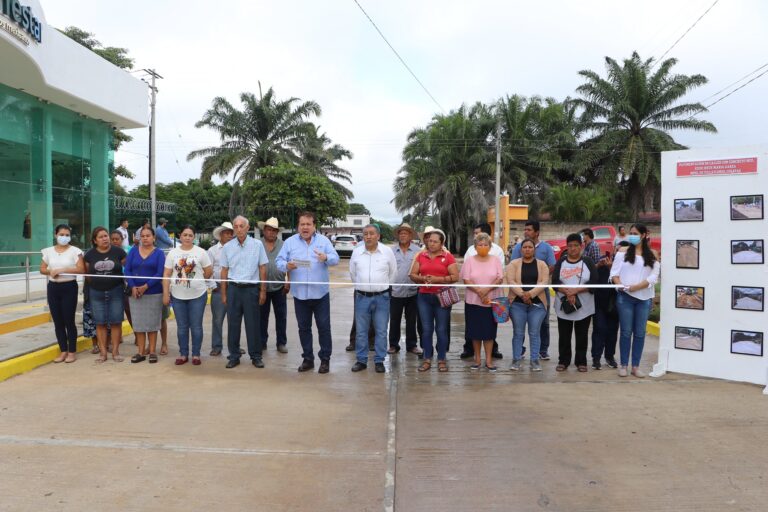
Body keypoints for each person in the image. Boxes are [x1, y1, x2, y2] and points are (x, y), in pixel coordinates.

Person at [276, 211, 339, 374]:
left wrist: (326, 257)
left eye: (308, 224)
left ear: (314, 226)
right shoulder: (289, 242)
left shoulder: (324, 241)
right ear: (298, 226)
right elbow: (279, 261)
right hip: (300, 295)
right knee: (304, 328)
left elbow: (336, 259)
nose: (305, 227)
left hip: (320, 294)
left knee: (324, 327)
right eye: (302, 224)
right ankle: (308, 359)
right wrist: (286, 266)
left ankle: (325, 360)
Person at [609, 224, 660, 378]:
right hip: (625, 298)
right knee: (625, 332)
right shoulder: (622, 253)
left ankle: (635, 366)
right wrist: (621, 286)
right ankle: (624, 365)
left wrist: (637, 287)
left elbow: (653, 277)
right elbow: (614, 274)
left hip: (644, 299)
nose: (632, 236)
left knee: (639, 333)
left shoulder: (652, 254)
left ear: (644, 235)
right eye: (630, 233)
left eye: (635, 233)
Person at [220, 216, 268, 369]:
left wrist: (263, 291)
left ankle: (256, 356)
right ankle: (234, 356)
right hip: (233, 288)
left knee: (253, 324)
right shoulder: (227, 247)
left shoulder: (257, 245)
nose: (239, 229)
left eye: (242, 226)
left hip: (251, 289)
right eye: (236, 226)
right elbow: (224, 271)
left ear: (248, 228)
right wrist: (224, 293)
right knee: (233, 324)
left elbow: (262, 268)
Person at [409, 227, 459, 373]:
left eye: (435, 242)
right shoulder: (421, 256)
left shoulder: (448, 257)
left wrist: (438, 279)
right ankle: (427, 359)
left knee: (441, 329)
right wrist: (422, 278)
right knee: (426, 330)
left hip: (442, 298)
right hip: (424, 297)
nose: (431, 244)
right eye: (430, 241)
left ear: (441, 243)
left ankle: (442, 359)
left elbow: (455, 277)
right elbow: (412, 275)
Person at [349, 224, 397, 373]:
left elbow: (393, 274)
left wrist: (382, 289)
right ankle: (361, 360)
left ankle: (379, 361)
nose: (368, 236)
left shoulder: (387, 252)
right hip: (362, 297)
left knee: (381, 330)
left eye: (371, 233)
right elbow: (353, 274)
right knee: (361, 331)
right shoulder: (357, 252)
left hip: (382, 297)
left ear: (378, 236)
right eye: (365, 234)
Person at [162, 225, 213, 366]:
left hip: (198, 295)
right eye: (185, 235)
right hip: (177, 296)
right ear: (180, 236)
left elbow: (208, 271)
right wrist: (166, 293)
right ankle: (183, 354)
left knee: (196, 326)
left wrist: (199, 282)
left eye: (190, 235)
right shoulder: (172, 253)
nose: (187, 237)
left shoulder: (201, 252)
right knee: (182, 327)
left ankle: (196, 354)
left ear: (194, 237)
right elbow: (166, 274)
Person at [552, 234, 598, 372]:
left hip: (584, 307)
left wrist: (576, 291)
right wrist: (568, 292)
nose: (573, 249)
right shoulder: (561, 262)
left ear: (581, 246)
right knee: (564, 335)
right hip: (564, 305)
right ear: (567, 247)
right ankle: (563, 361)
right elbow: (554, 282)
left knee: (582, 335)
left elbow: (595, 281)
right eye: (570, 246)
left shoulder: (588, 261)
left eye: (576, 245)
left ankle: (581, 362)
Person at [510, 221, 556, 360]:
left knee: (544, 323)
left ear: (537, 232)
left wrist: (535, 289)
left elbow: (551, 266)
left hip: (541, 293)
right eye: (525, 229)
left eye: (529, 230)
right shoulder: (518, 247)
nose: (526, 232)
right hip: (519, 294)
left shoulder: (546, 248)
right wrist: (523, 293)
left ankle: (542, 351)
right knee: (519, 327)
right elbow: (512, 269)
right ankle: (520, 351)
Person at [40, 224, 85, 363]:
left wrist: (63, 270)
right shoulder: (48, 251)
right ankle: (63, 350)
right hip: (53, 287)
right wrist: (51, 271)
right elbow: (42, 269)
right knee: (58, 321)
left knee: (68, 320)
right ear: (55, 234)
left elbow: (81, 269)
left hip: (69, 287)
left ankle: (72, 351)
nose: (64, 237)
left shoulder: (75, 251)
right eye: (61, 234)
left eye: (67, 235)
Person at [460, 232, 503, 371]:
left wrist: (486, 291)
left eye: (485, 244)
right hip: (473, 301)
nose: (483, 247)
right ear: (475, 246)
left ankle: (489, 360)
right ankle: (477, 359)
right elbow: (466, 279)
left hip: (491, 301)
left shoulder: (495, 260)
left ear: (490, 246)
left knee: (489, 333)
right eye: (480, 245)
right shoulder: (470, 261)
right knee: (475, 332)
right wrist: (479, 291)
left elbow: (499, 278)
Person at [506, 238, 550, 372]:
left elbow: (544, 282)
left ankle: (534, 360)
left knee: (534, 332)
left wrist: (530, 294)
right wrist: (522, 294)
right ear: (520, 249)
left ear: (534, 249)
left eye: (530, 247)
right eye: (524, 247)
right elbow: (511, 281)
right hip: (517, 305)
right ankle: (516, 359)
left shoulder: (542, 265)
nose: (527, 249)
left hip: (537, 306)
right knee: (518, 333)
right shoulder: (513, 264)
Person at [84, 226, 127, 363]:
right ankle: (103, 353)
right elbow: (87, 275)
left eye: (106, 236)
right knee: (100, 323)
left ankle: (115, 352)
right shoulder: (89, 255)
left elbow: (127, 269)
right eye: (101, 237)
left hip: (116, 291)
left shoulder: (119, 252)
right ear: (95, 240)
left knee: (116, 322)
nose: (105, 239)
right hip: (96, 293)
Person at [125, 226, 165, 364]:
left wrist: (146, 286)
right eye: (143, 236)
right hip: (135, 293)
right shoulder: (133, 252)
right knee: (139, 323)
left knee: (152, 323)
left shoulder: (159, 253)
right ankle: (140, 352)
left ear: (154, 238)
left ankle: (152, 351)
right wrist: (133, 286)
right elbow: (127, 270)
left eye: (148, 235)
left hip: (153, 292)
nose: (145, 238)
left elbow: (160, 273)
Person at [388, 223, 423, 355]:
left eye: (406, 233)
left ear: (410, 236)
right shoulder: (391, 251)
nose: (403, 235)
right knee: (395, 319)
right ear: (398, 235)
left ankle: (412, 345)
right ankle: (393, 345)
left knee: (411, 320)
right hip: (395, 291)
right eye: (401, 233)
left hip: (413, 291)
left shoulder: (417, 251)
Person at [258, 217, 289, 354]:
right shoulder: (257, 244)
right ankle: (262, 342)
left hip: (279, 287)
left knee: (281, 316)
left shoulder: (283, 245)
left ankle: (281, 343)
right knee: (262, 317)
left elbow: (289, 264)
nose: (271, 233)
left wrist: (288, 281)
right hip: (261, 287)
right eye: (269, 230)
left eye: (274, 230)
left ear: (277, 232)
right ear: (264, 230)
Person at [207, 221, 234, 356]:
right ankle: (217, 346)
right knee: (218, 319)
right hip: (218, 287)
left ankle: (234, 346)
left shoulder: (236, 249)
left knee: (234, 319)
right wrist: (213, 286)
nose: (229, 236)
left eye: (231, 233)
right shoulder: (212, 251)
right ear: (221, 235)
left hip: (233, 287)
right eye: (227, 233)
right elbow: (208, 270)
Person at [591, 247, 621, 370]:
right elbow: (590, 277)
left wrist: (611, 269)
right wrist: (598, 265)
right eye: (617, 251)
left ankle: (610, 357)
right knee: (599, 329)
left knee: (612, 331)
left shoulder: (626, 267)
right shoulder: (603, 261)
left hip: (615, 303)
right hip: (599, 302)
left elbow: (623, 285)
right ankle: (596, 358)